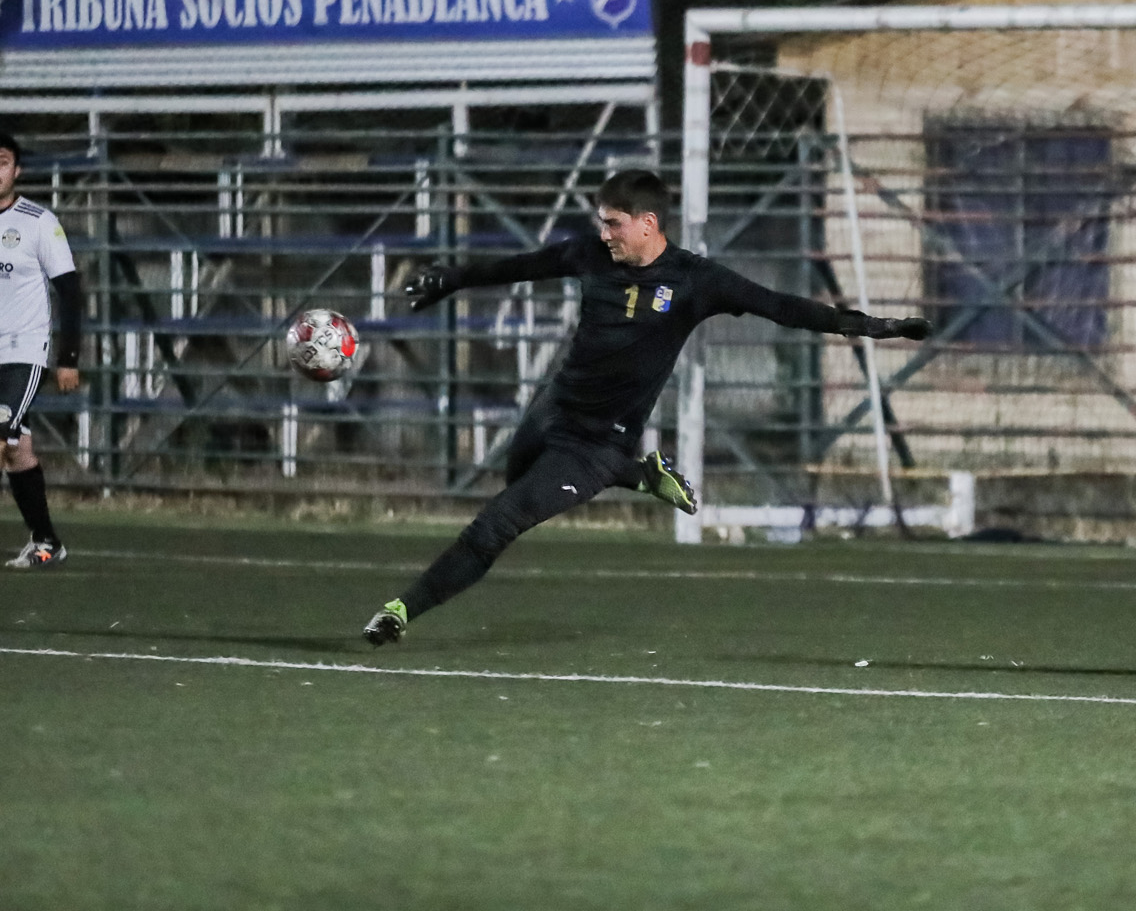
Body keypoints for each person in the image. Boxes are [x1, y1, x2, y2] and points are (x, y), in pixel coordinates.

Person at [362, 169, 930, 644]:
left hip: (595, 442)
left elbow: (782, 306)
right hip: (553, 408)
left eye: (613, 223)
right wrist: (451, 279)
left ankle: (399, 612)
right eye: (601, 222)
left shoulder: (695, 280)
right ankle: (640, 475)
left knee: (496, 525)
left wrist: (870, 326)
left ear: (648, 223)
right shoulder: (591, 255)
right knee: (515, 481)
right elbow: (521, 266)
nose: (603, 233)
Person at [0, 131, 82, 569]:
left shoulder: (37, 221)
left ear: (16, 170)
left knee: (0, 438)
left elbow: (69, 290)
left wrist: (68, 358)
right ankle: (47, 543)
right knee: (18, 450)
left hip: (23, 352)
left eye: (2, 162)